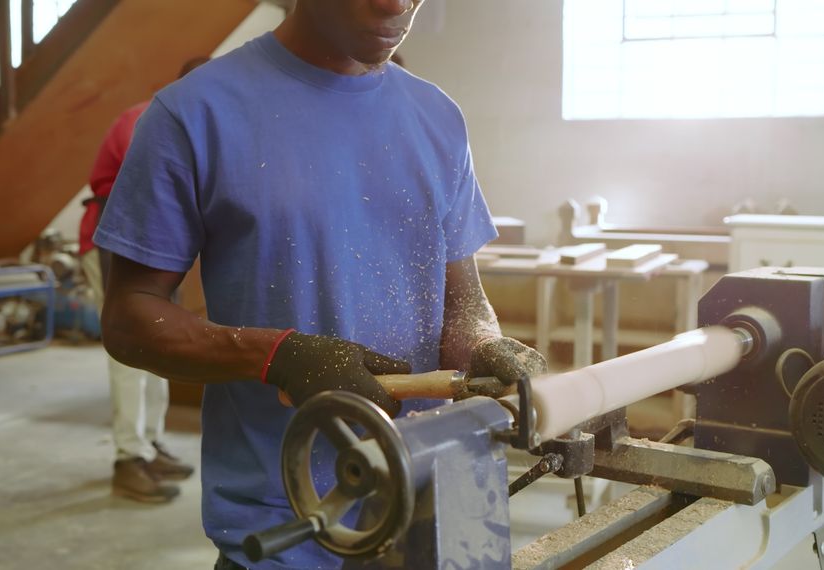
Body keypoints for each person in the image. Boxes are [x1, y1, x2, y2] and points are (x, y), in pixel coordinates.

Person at [93, 1, 547, 567]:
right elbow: (130, 316)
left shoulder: (437, 115)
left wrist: (480, 342)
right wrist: (278, 356)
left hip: (437, 494)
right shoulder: (195, 113)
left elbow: (460, 297)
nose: (396, 3)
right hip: (290, 514)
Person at [78, 56, 210, 503]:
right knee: (128, 349)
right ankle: (127, 458)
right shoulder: (148, 118)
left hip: (158, 247)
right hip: (117, 242)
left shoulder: (189, 121)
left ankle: (149, 444)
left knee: (158, 347)